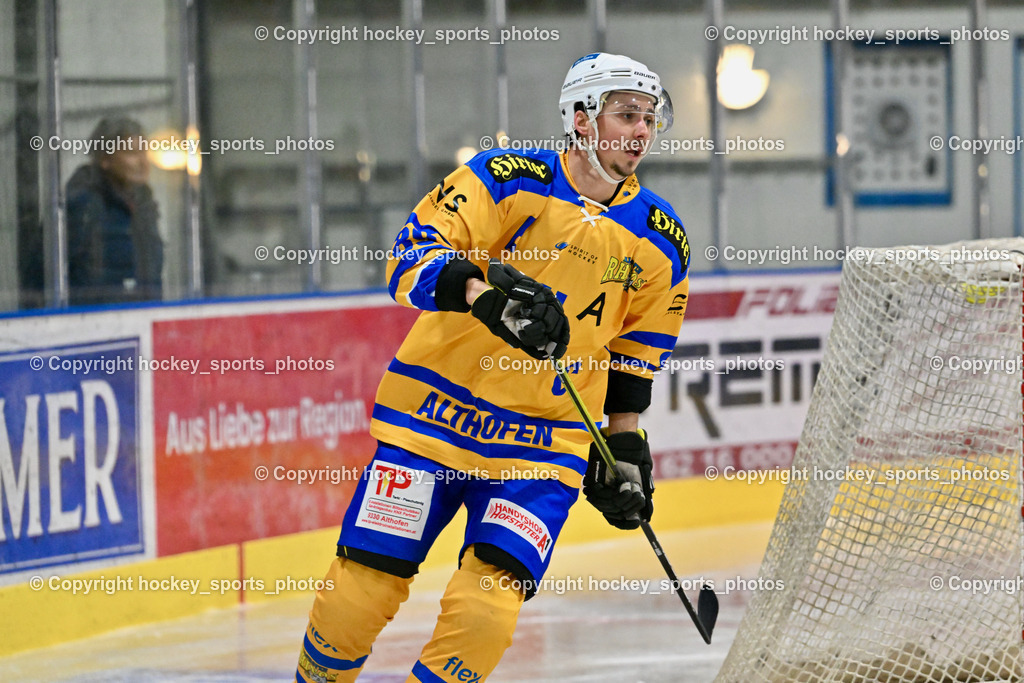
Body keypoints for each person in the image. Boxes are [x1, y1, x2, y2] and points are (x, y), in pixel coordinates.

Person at [295, 52, 690, 683]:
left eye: (649, 118)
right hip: (432, 421)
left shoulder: (662, 239)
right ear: (581, 119)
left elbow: (636, 352)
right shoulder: (506, 179)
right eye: (626, 115)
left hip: (543, 446)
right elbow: (409, 259)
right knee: (357, 596)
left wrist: (623, 444)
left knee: (486, 615)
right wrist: (487, 299)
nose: (641, 131)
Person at [65, 116, 162, 305]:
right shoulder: (83, 206)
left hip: (143, 319)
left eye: (144, 152)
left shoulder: (145, 207)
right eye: (132, 153)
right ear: (105, 159)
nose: (143, 162)